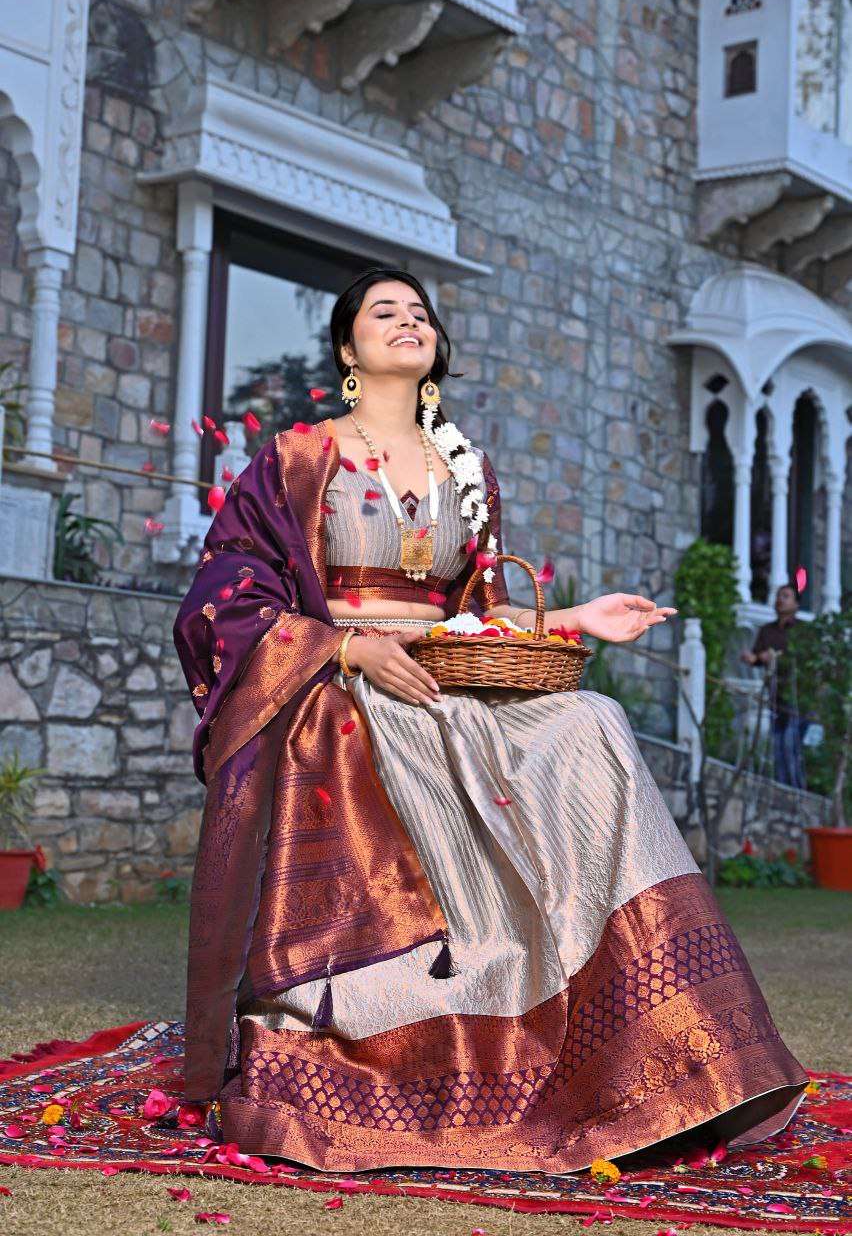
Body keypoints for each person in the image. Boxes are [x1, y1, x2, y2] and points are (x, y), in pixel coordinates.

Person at [173, 268, 807, 1175]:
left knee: (591, 720)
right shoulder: (298, 459)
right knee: (384, 734)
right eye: (385, 311)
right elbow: (224, 596)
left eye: (420, 313)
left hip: (449, 677)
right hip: (341, 683)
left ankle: (630, 1023)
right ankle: (401, 1021)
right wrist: (346, 648)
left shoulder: (465, 469)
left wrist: (579, 617)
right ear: (348, 346)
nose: (408, 321)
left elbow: (479, 614)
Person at [740, 584, 807, 789]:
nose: (780, 599)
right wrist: (752, 658)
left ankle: (797, 792)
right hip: (775, 697)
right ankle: (782, 793)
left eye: (786, 596)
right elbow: (758, 657)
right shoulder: (767, 630)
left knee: (790, 746)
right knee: (778, 748)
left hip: (799, 697)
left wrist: (774, 657)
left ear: (796, 604)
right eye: (779, 595)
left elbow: (802, 658)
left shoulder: (803, 630)